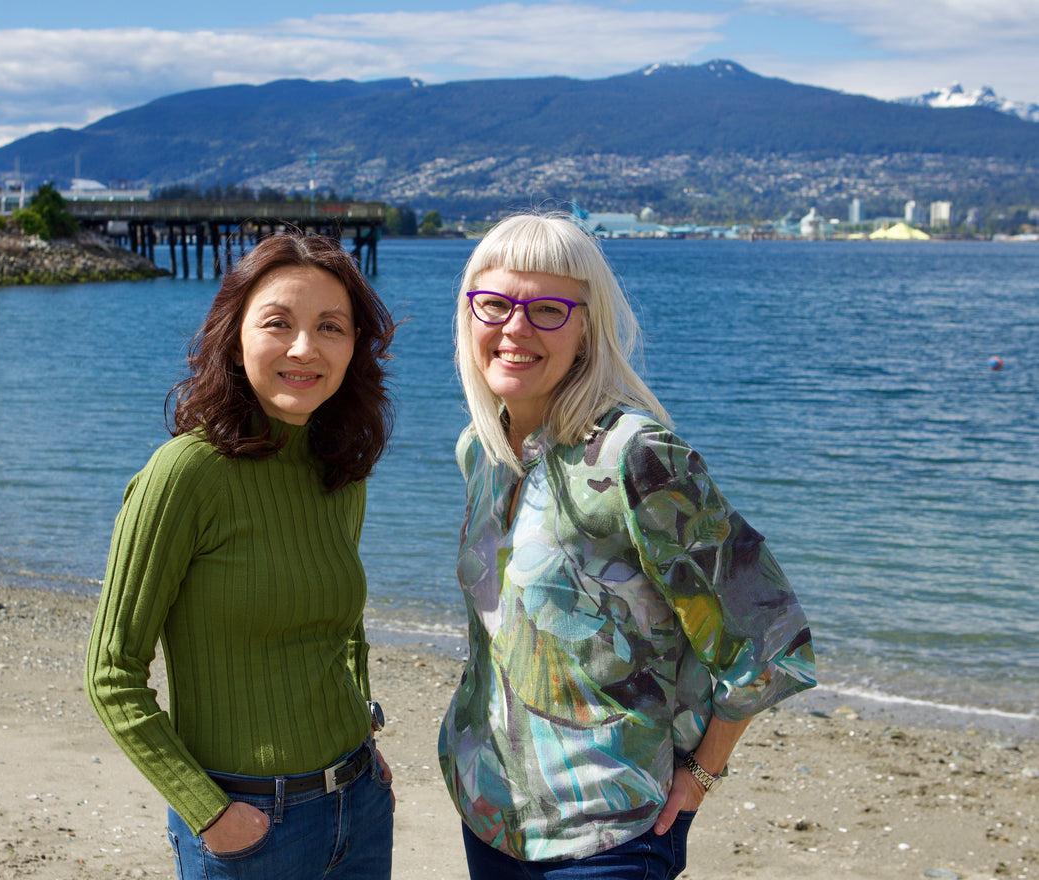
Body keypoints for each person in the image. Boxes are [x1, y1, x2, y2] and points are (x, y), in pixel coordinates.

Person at [438, 213, 816, 879]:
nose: (515, 329)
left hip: (609, 837)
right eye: (495, 304)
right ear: (468, 314)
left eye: (547, 309)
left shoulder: (633, 456)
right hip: (491, 816)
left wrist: (701, 773)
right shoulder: (483, 451)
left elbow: (768, 635)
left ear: (585, 328)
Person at [86, 232, 397, 879]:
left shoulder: (338, 468)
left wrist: (364, 735)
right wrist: (208, 813)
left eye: (331, 327)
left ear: (354, 347)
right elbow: (111, 674)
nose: (304, 348)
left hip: (360, 806)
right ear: (234, 336)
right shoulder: (185, 474)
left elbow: (342, 625)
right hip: (250, 828)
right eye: (278, 323)